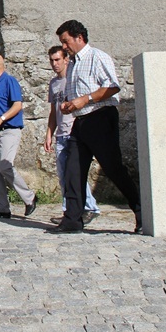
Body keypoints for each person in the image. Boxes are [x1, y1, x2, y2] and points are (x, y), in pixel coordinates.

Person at [49, 20, 142, 234]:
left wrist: (85, 99)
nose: (63, 46)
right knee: (73, 171)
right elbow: (79, 96)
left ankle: (140, 210)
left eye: (65, 41)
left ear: (79, 37)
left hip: (100, 118)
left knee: (113, 168)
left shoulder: (97, 57)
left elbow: (111, 87)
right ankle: (72, 219)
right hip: (79, 122)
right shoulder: (72, 63)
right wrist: (70, 104)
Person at [43, 46, 100, 224]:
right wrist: (49, 133)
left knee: (75, 174)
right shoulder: (54, 84)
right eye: (52, 60)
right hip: (61, 134)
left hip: (75, 132)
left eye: (58, 59)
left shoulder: (73, 79)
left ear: (66, 59)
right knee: (64, 176)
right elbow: (53, 111)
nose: (55, 64)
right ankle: (70, 212)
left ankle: (90, 207)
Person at [0, 54, 37, 219]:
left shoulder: (10, 81)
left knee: (5, 166)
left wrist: (1, 119)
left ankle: (29, 197)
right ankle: (2, 208)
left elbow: (17, 105)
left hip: (9, 130)